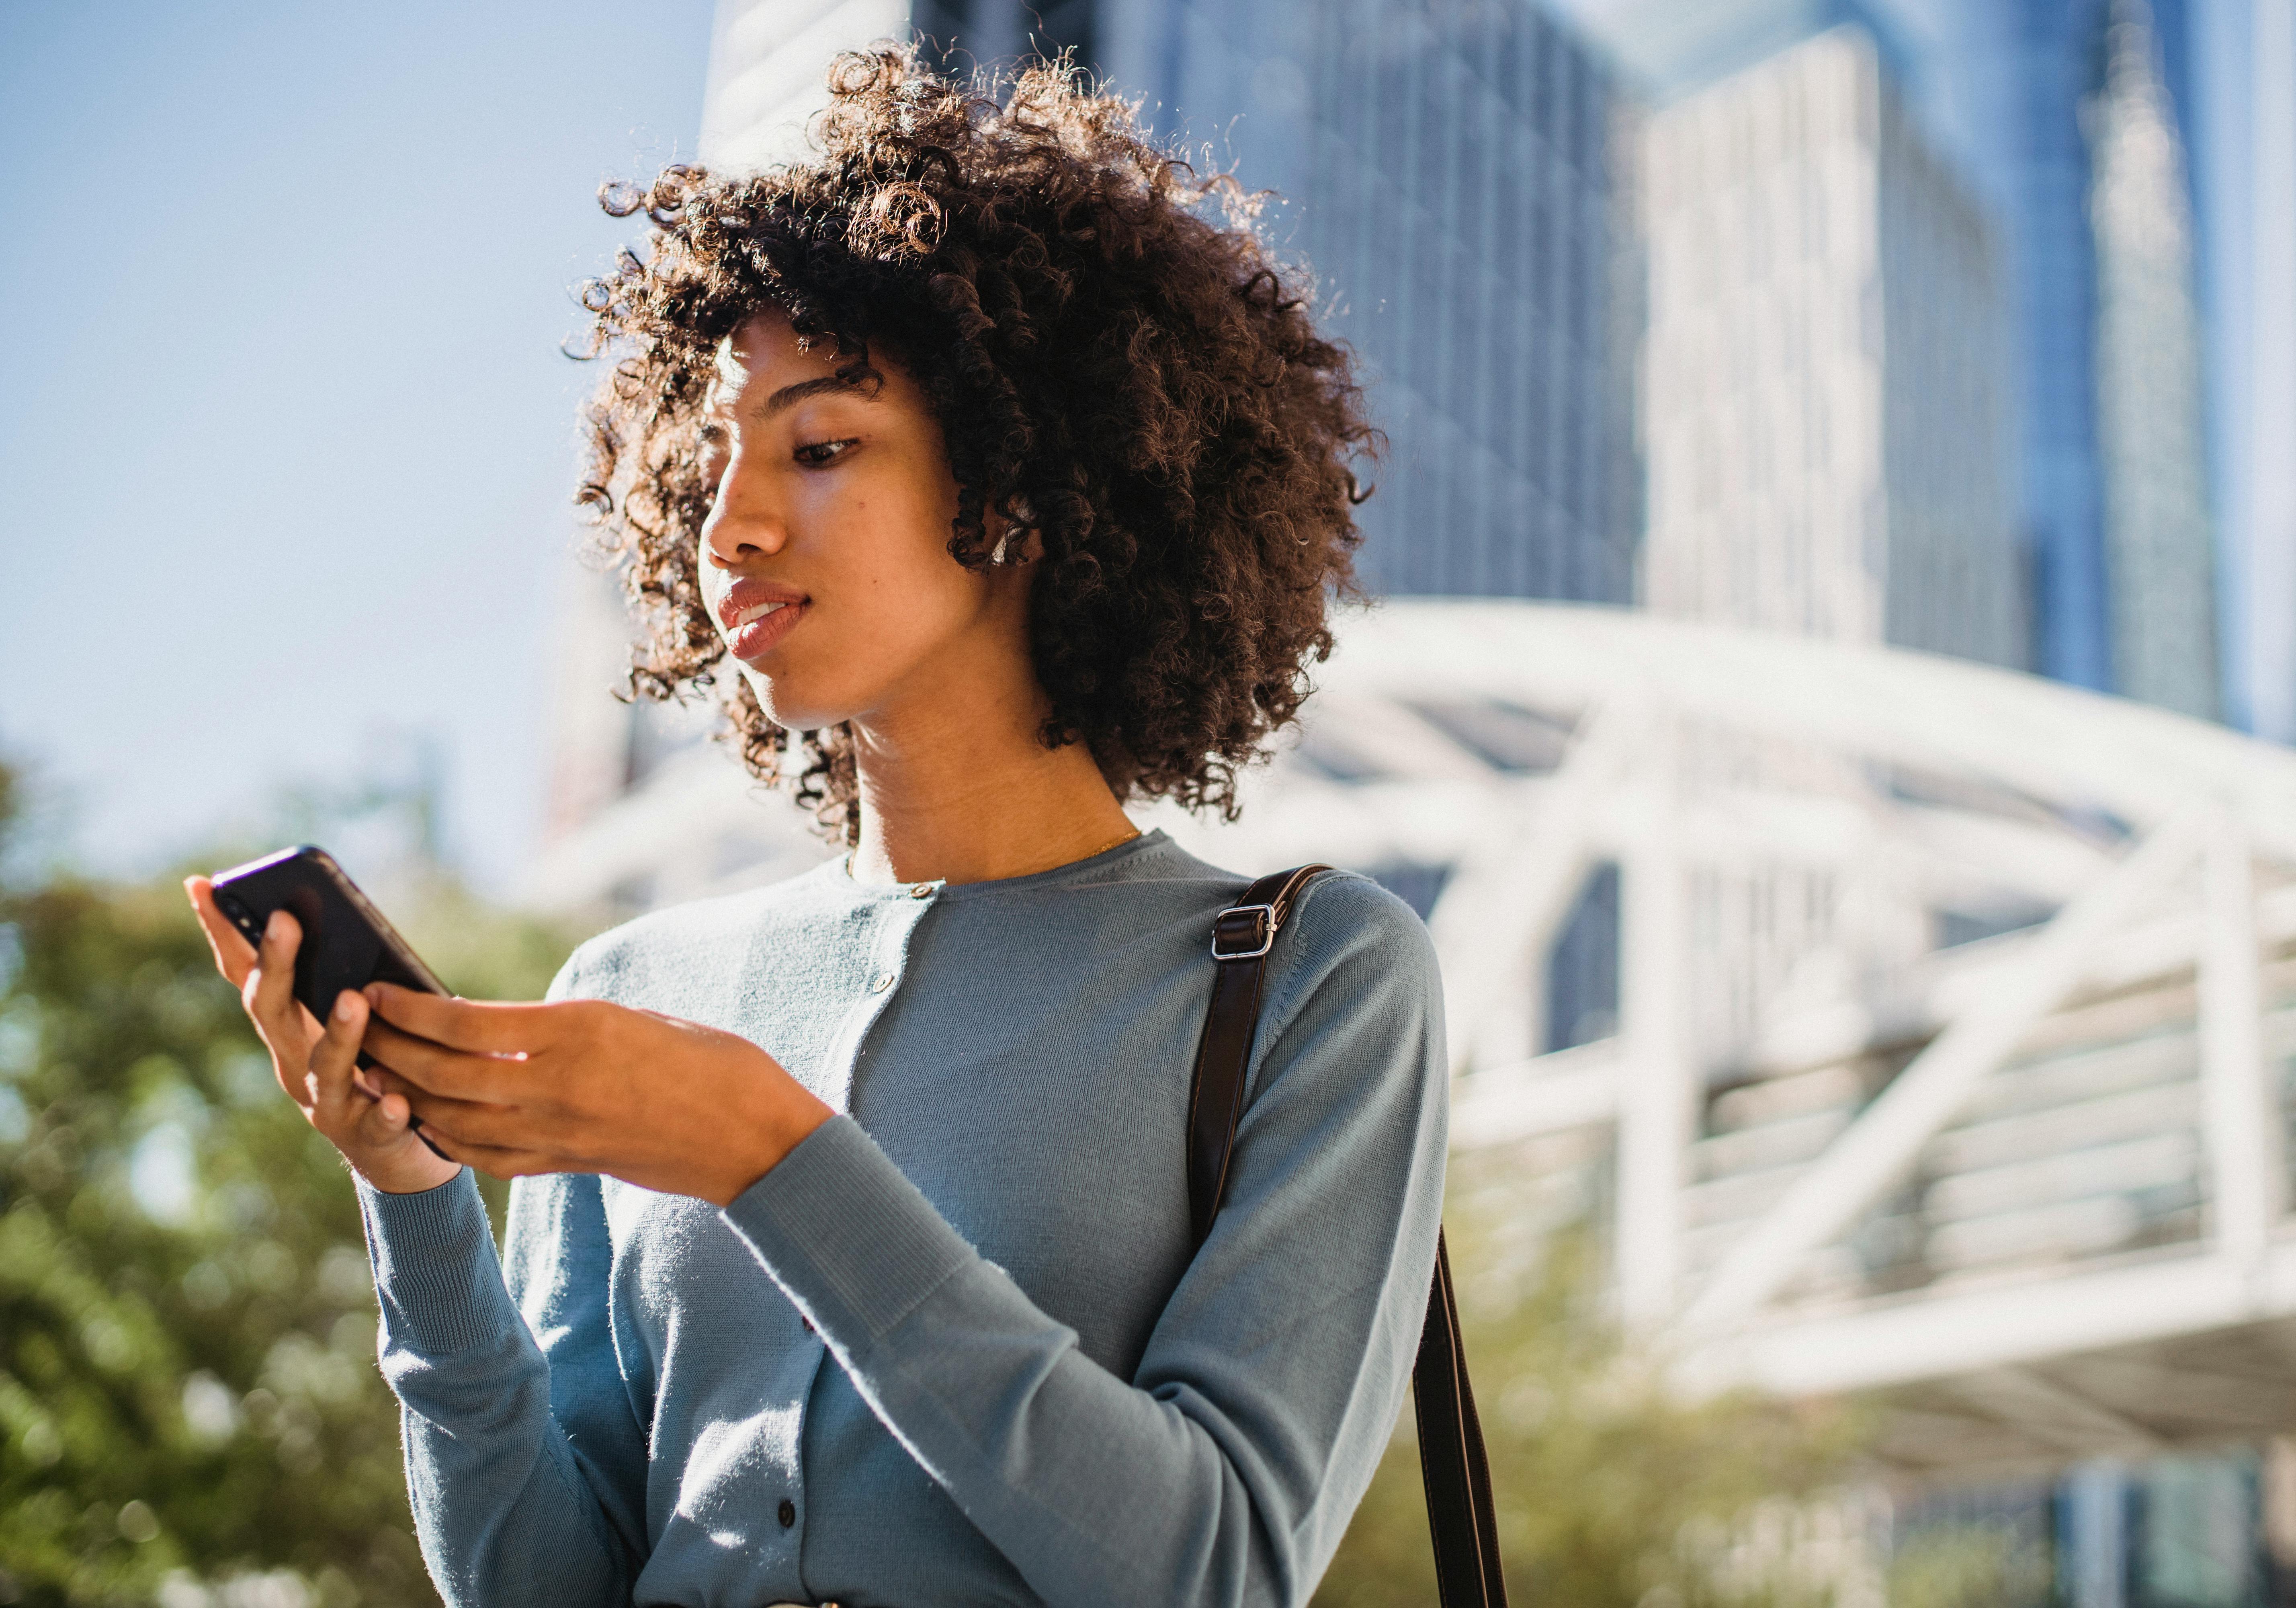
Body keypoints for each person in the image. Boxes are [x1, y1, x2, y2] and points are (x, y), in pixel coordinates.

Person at [185, 46, 1446, 1608]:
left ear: (1026, 481)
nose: (730, 526)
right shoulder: (627, 988)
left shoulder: (1309, 976)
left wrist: (768, 1154)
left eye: (821, 445)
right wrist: (418, 1198)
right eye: (709, 461)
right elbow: (538, 1584)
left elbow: (1218, 1567)